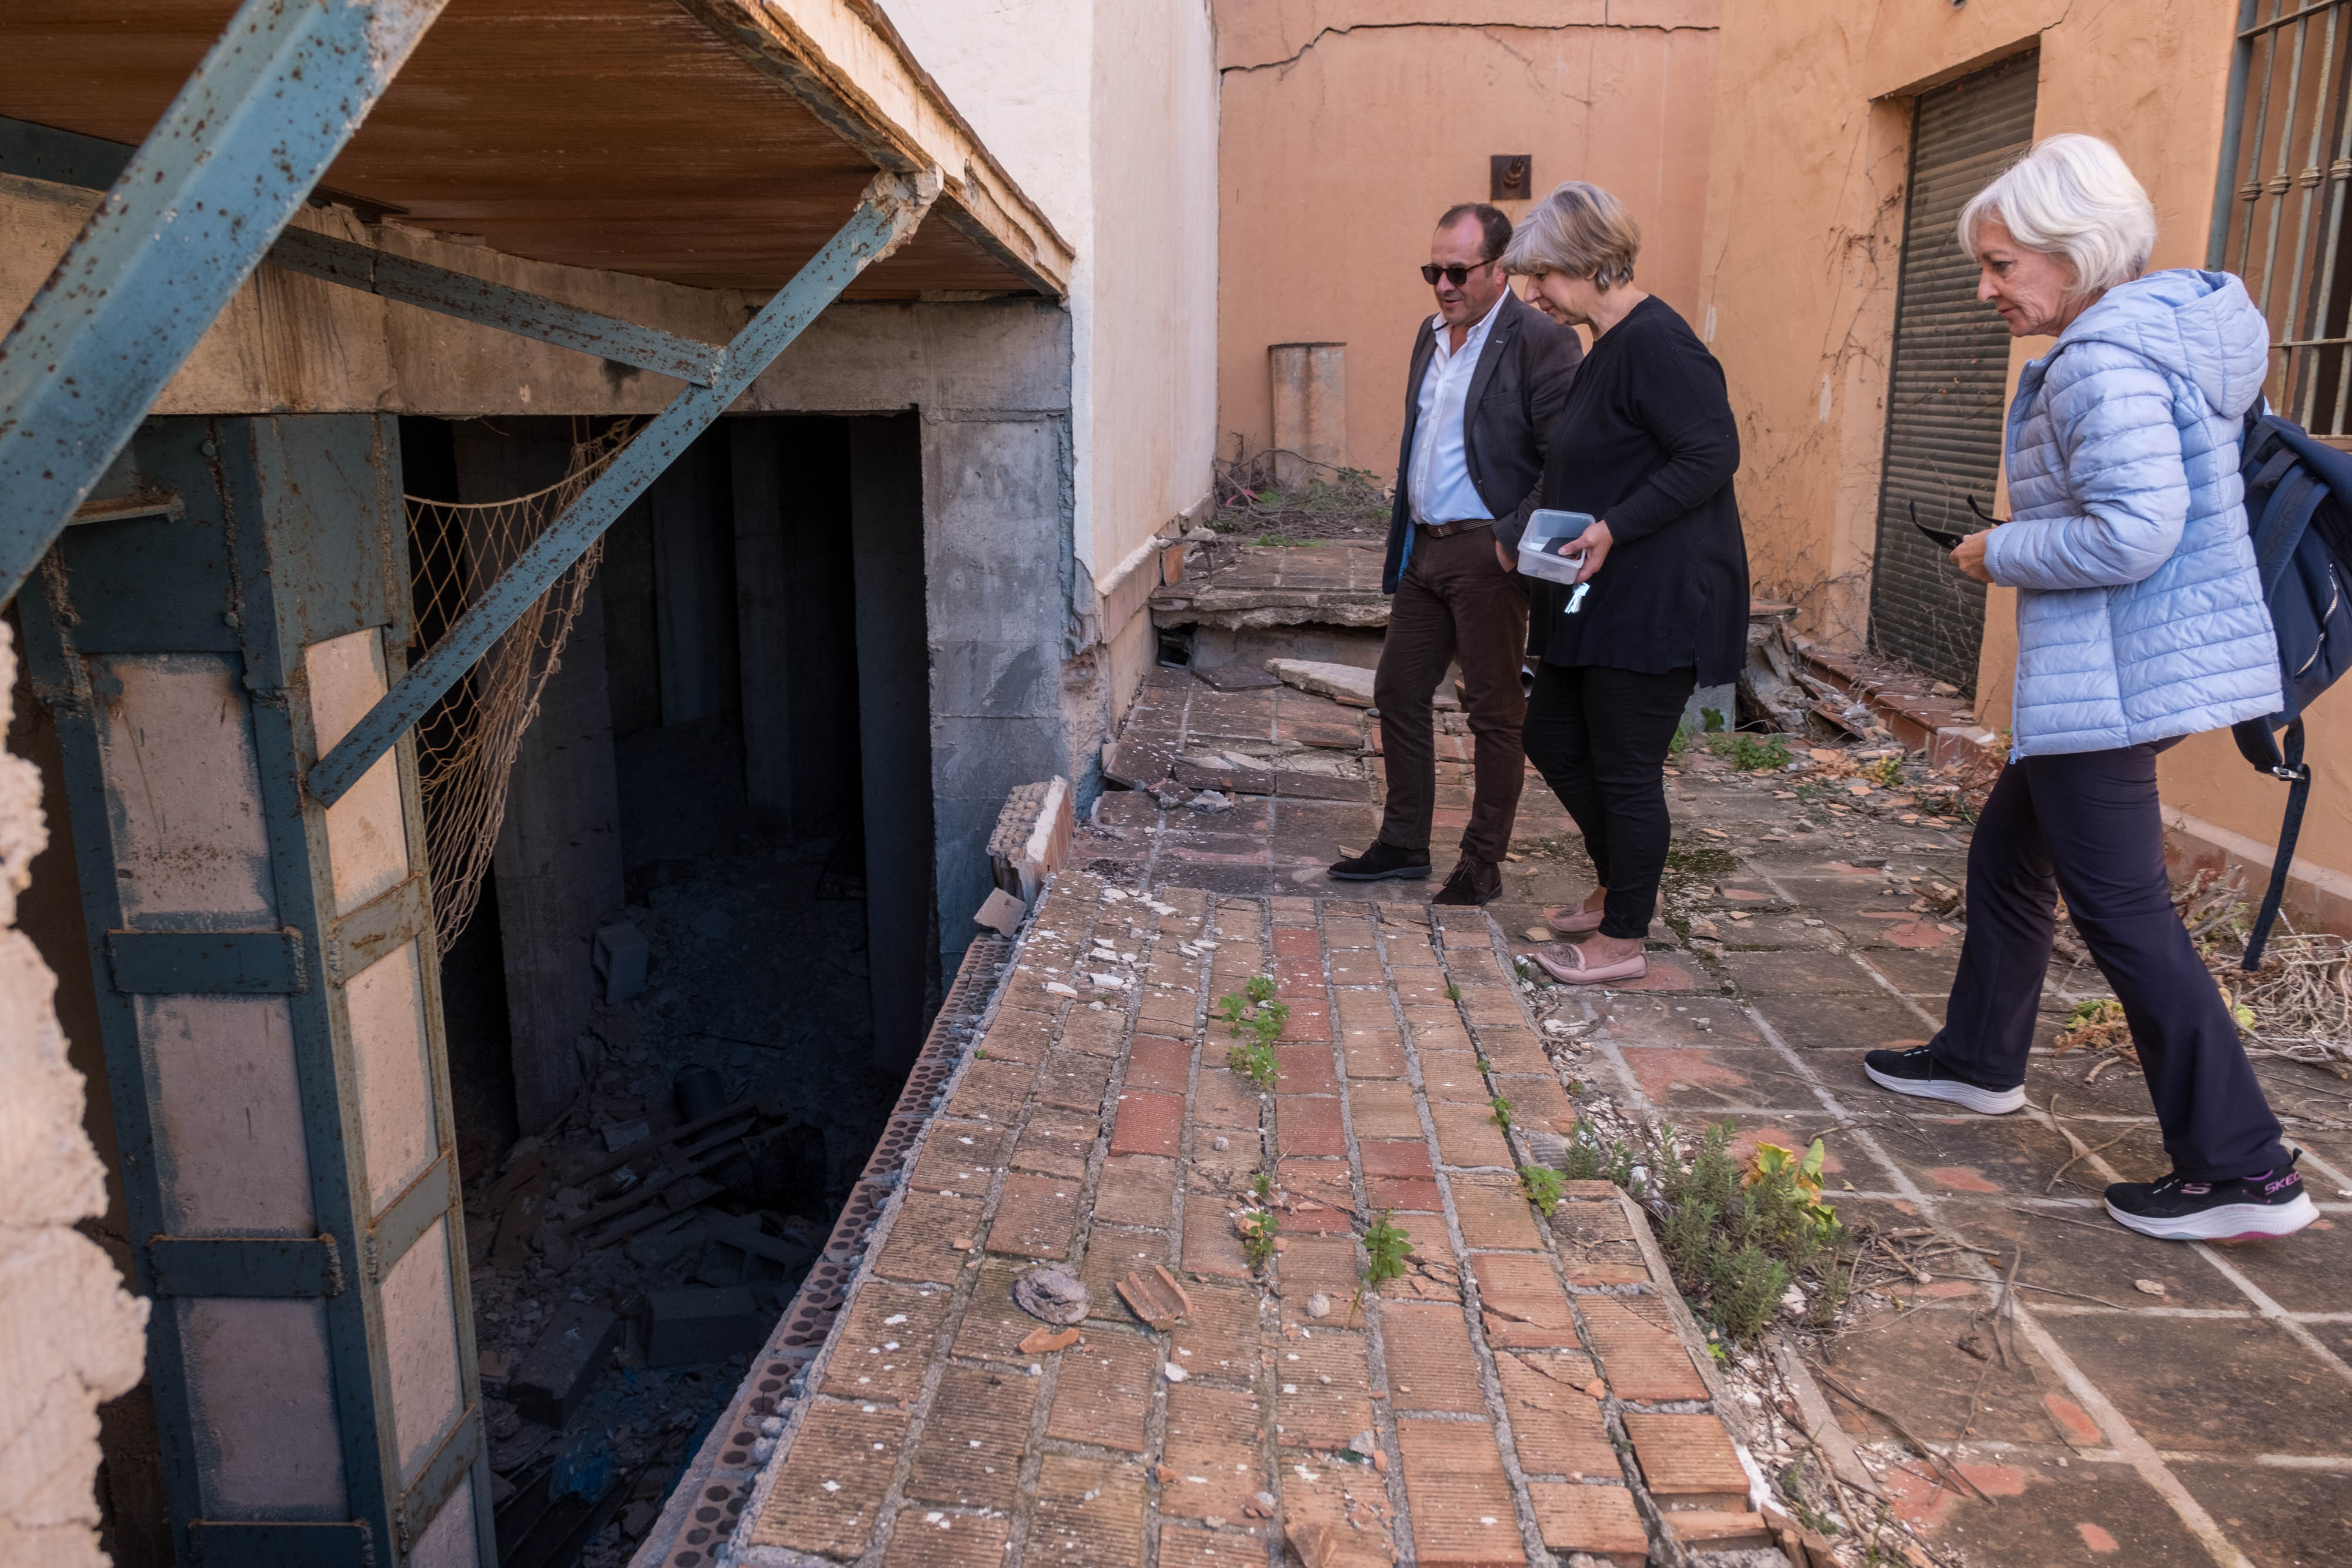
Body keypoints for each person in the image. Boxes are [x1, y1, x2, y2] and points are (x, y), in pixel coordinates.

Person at [1860, 133, 2314, 1242]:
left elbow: (2132, 531)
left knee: (2127, 916)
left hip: (2113, 674)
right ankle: (1978, 1058)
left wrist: (1997, 552)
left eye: (2005, 264)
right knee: (2011, 853)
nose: (1986, 288)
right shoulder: (2161, 334)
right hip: (2124, 669)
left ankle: (2245, 1171)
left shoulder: (2104, 357)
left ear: (2076, 254)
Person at [1501, 182, 1746, 984]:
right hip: (1597, 594)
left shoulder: (1660, 344)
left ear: (1593, 263)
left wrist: (1613, 527)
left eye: (1543, 276)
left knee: (1625, 765)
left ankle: (1623, 938)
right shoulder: (1607, 343)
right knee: (1553, 735)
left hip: (1659, 596)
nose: (1533, 294)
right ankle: (1618, 886)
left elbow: (1710, 455)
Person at [1328, 203, 1583, 905]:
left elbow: (1564, 461)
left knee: (1494, 711)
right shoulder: (1430, 334)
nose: (1443, 285)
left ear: (1499, 269)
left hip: (1486, 554)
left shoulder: (1540, 340)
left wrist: (1508, 544)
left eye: (1457, 271)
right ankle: (1404, 843)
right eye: (1432, 271)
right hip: (1425, 549)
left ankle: (1481, 862)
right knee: (1397, 691)